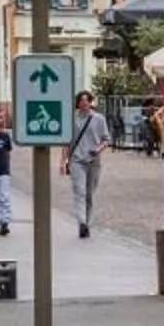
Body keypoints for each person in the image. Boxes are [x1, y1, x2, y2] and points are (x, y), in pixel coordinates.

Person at [65, 89, 111, 238]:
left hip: (93, 160)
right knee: (80, 192)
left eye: (86, 100)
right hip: (77, 160)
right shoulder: (72, 119)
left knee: (90, 194)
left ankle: (87, 222)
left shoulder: (99, 119)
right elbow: (67, 141)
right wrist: (63, 160)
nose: (84, 103)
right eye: (81, 101)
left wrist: (98, 149)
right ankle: (82, 222)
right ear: (77, 103)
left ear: (90, 102)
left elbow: (106, 139)